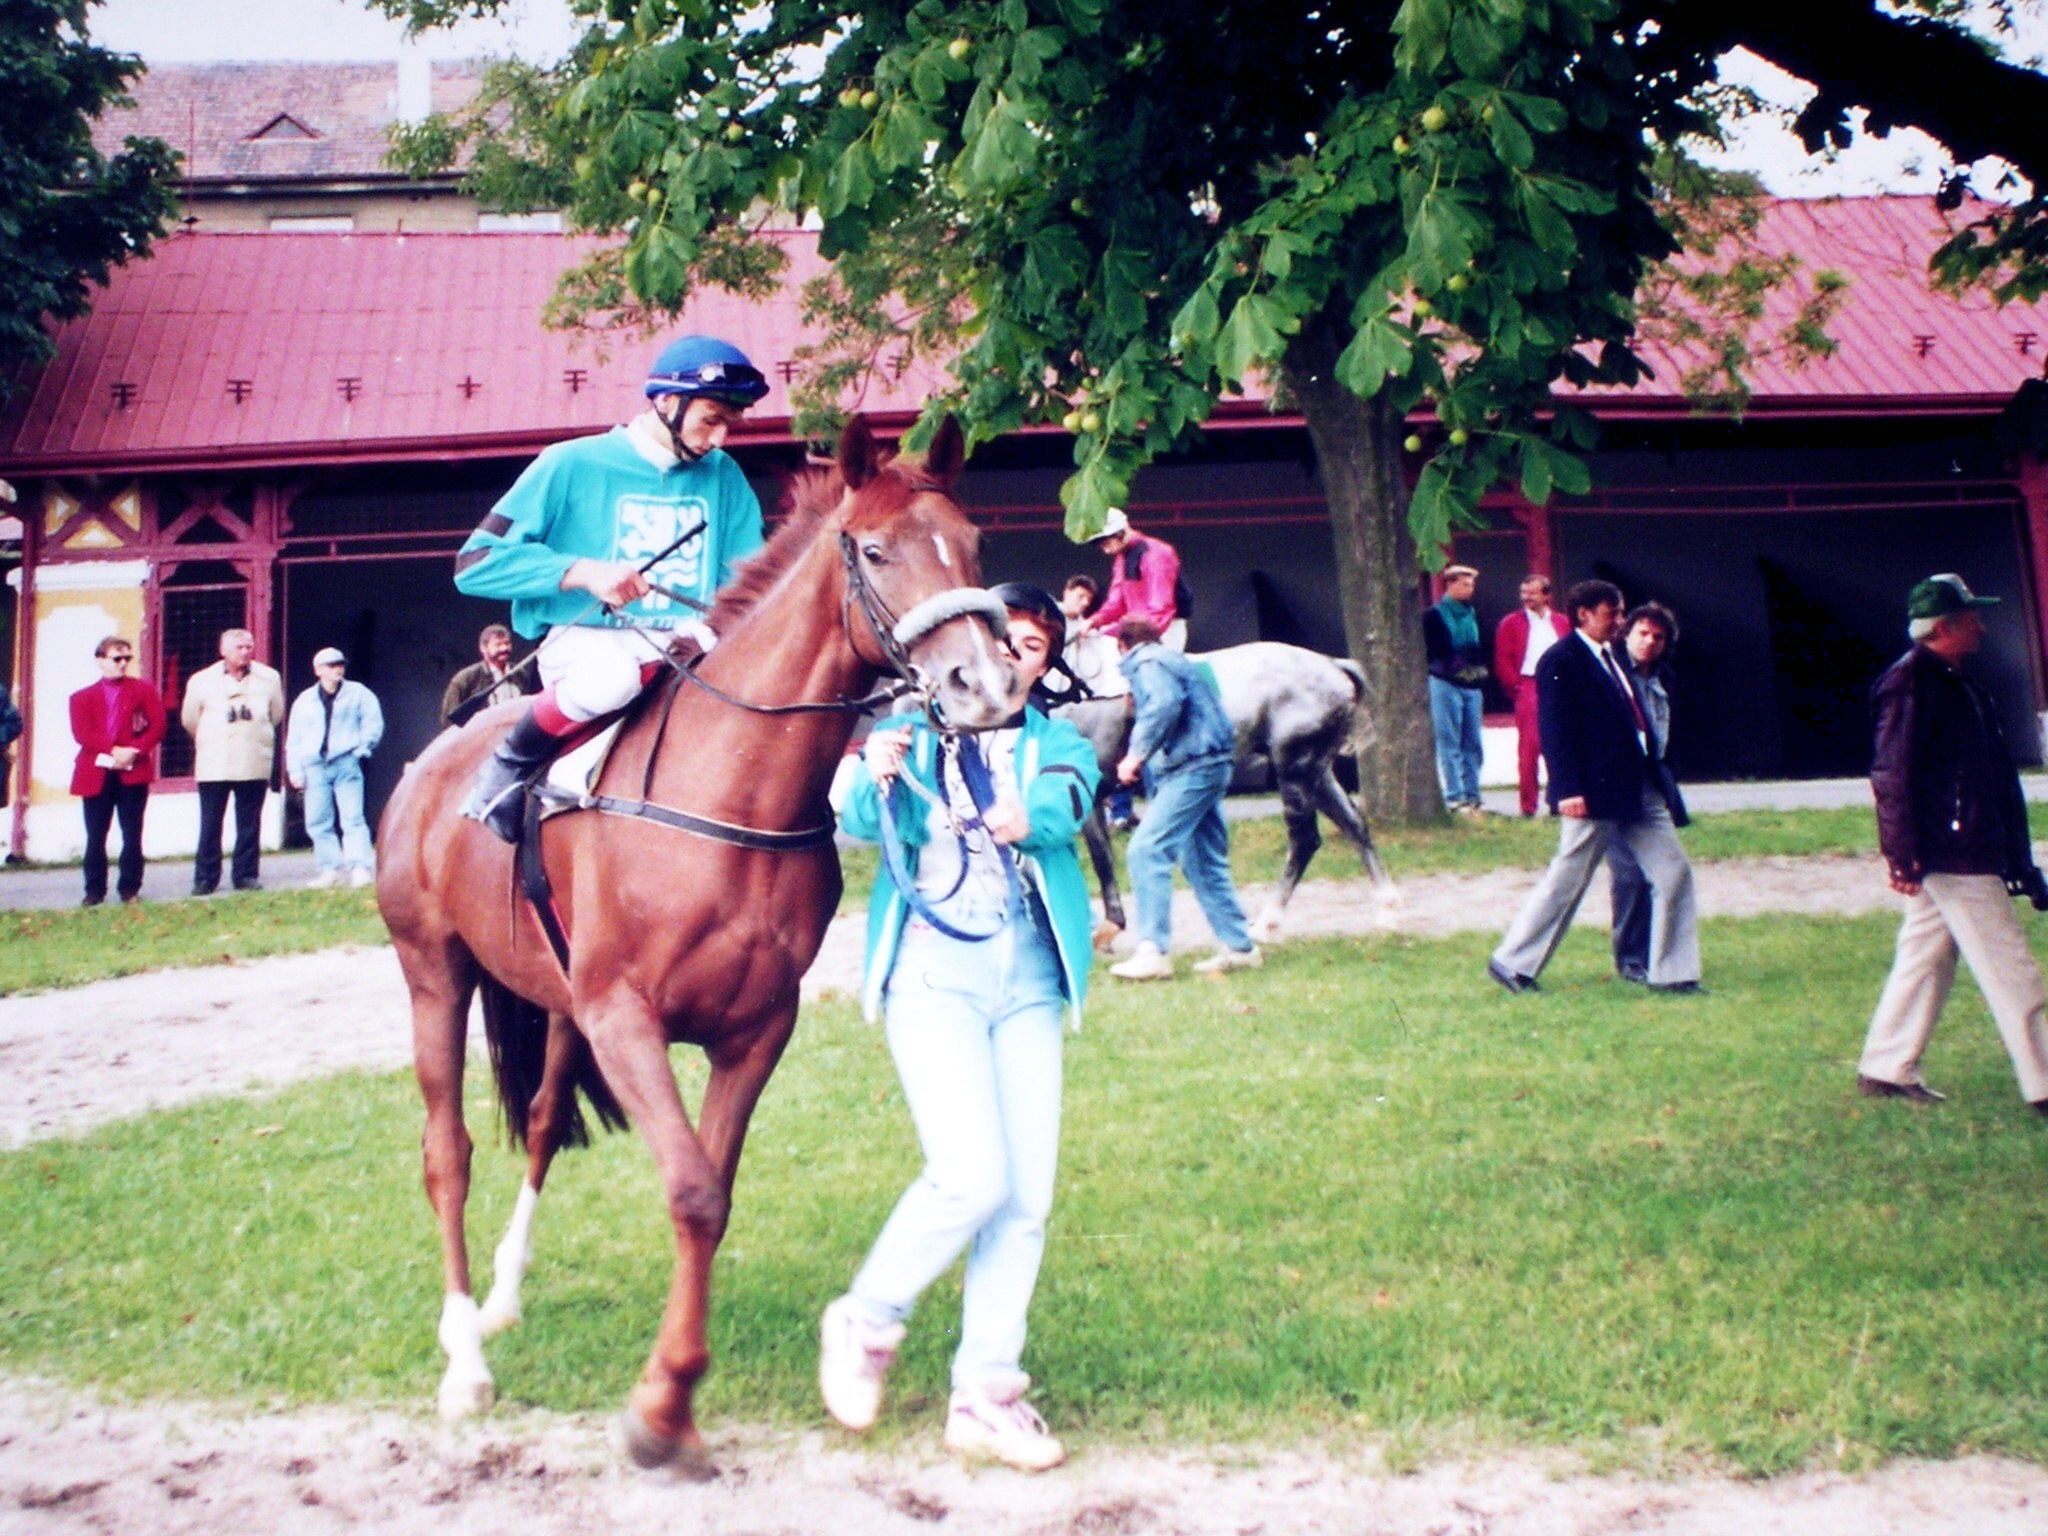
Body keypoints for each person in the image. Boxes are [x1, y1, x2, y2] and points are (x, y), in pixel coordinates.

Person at [820, 582, 1099, 1472]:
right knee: (970, 1176)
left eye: (1035, 646)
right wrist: (877, 773)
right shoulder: (909, 735)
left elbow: (1068, 800)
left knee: (1024, 1199)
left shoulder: (1054, 744)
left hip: (1029, 981)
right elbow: (860, 823)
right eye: (1004, 637)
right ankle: (869, 1316)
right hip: (936, 974)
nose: (1016, 655)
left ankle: (985, 1390)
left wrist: (1035, 818)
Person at [453, 334, 770, 840]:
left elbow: (749, 583)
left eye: (730, 425)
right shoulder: (569, 463)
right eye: (711, 419)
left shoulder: (724, 476)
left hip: (685, 643)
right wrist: (583, 572)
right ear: (666, 401)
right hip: (587, 647)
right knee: (615, 678)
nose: (719, 439)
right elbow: (474, 564)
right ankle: (509, 766)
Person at [1855, 574, 2048, 1113]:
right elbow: (1891, 776)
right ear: (1943, 628)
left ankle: (1885, 1067)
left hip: (1956, 844)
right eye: (1971, 619)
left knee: (1924, 957)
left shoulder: (1950, 680)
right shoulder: (1912, 684)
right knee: (2012, 969)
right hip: (1954, 851)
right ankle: (2044, 1083)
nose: (1981, 627)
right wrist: (1900, 853)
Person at [1488, 580, 1700, 994]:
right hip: (1594, 790)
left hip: (1638, 784)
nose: (1620, 621)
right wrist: (1567, 789)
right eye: (1613, 613)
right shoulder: (1561, 659)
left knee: (1674, 872)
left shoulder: (1609, 656)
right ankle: (1512, 963)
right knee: (1569, 878)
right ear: (1584, 613)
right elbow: (1555, 731)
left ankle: (1673, 973)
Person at [1106, 615, 1260, 980]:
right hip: (1215, 761)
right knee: (1201, 859)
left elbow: (1162, 704)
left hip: (1190, 766)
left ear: (1122, 645)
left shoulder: (1146, 662)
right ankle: (1240, 947)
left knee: (1147, 848)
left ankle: (1152, 951)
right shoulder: (1183, 661)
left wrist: (1135, 754)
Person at [1604, 603, 1688, 983]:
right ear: (1627, 633)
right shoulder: (1611, 672)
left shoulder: (1663, 677)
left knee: (1669, 873)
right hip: (1615, 785)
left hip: (1650, 783)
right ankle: (1631, 959)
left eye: (1658, 637)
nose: (1649, 642)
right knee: (1628, 875)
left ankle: (1660, 957)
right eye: (1643, 633)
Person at [181, 626, 285, 895]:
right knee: (210, 823)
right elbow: (190, 719)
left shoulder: (269, 678)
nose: (245, 652)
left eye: (248, 647)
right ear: (223, 651)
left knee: (249, 822)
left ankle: (246, 875)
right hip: (215, 762)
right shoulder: (201, 680)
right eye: (238, 647)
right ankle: (205, 878)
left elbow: (276, 714)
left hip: (253, 759)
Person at [67, 636, 166, 905]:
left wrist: (134, 750)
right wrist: (113, 749)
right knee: (96, 834)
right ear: (100, 661)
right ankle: (94, 890)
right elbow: (82, 733)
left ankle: (130, 888)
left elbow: (157, 725)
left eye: (127, 659)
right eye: (116, 658)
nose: (123, 664)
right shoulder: (81, 697)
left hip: (133, 768)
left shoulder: (142, 690)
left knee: (132, 831)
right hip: (97, 770)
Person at [285, 647, 386, 889]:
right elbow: (295, 738)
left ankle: (359, 867)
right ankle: (329, 869)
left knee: (352, 817)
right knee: (318, 820)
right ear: (318, 670)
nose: (337, 669)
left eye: (340, 664)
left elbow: (373, 722)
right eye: (331, 665)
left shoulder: (359, 693)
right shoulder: (305, 700)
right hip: (314, 766)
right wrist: (295, 771)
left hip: (345, 762)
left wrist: (362, 750)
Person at [1059, 572, 1138, 829]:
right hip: (1056, 707)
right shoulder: (1045, 617)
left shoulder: (1090, 628)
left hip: (1090, 704)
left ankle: (1121, 812)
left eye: (1087, 600)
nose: (1083, 603)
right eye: (1079, 596)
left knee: (1111, 754)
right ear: (1067, 591)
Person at [1494, 574, 1570, 817]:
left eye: (1532, 593)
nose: (1526, 598)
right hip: (1528, 684)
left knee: (1559, 743)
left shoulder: (1561, 622)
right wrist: (1516, 687)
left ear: (1547, 595)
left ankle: (1558, 800)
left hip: (1558, 684)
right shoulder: (1511, 622)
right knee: (1530, 746)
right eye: (1523, 593)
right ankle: (1528, 805)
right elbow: (1503, 658)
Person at [1072, 508, 1187, 651]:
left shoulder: (1157, 554)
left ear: (1120, 533)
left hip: (1162, 631)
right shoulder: (1122, 558)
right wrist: (1093, 621)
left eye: (1106, 544)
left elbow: (1161, 610)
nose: (1106, 551)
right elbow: (1116, 603)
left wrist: (1123, 635)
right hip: (1135, 630)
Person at [1423, 564, 1488, 814]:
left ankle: (1473, 795)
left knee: (1473, 743)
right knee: (1448, 741)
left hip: (1472, 683)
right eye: (1464, 584)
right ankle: (1454, 796)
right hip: (1444, 681)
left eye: (1471, 584)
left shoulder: (1472, 614)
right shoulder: (1433, 615)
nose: (1469, 589)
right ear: (1450, 585)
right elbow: (1432, 651)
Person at [441, 623, 535, 725]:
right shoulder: (466, 679)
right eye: (498, 645)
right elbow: (450, 721)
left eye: (507, 643)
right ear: (483, 648)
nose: (504, 648)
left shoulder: (520, 673)